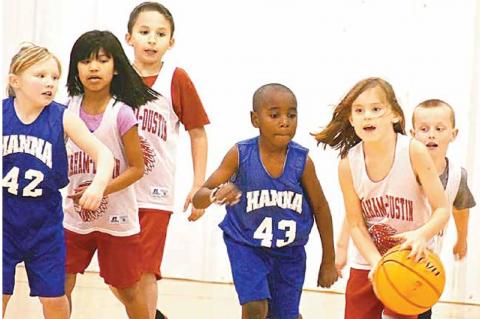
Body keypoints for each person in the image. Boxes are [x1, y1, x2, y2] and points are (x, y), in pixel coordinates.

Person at [192, 83, 338, 319]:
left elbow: (321, 209)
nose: (285, 121)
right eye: (274, 115)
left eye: (291, 115)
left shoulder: (302, 162)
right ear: (255, 119)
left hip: (289, 253)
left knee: (283, 315)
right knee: (255, 306)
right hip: (247, 246)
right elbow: (199, 197)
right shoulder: (240, 154)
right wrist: (214, 194)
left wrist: (328, 260)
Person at [314, 77, 449, 319]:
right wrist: (377, 262)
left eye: (376, 109)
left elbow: (442, 209)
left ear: (395, 115)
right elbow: (355, 223)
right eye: (359, 110)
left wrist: (421, 235)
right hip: (368, 262)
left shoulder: (413, 151)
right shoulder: (348, 164)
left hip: (411, 262)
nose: (367, 116)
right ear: (351, 119)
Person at [3, 44, 113, 319]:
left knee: (53, 298)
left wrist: (98, 186)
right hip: (5, 221)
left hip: (44, 226)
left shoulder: (62, 116)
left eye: (54, 77)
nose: (49, 82)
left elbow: (104, 154)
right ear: (15, 81)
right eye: (40, 75)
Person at [63, 30, 158, 319]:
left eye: (102, 61)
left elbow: (137, 169)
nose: (93, 67)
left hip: (117, 219)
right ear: (75, 68)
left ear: (115, 67)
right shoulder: (66, 110)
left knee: (128, 291)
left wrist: (100, 189)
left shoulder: (122, 113)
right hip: (73, 217)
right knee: (59, 285)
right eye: (85, 61)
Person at [125, 2, 210, 318]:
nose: (151, 40)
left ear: (171, 42)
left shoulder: (176, 78)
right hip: (116, 190)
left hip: (154, 194)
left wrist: (199, 183)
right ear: (129, 37)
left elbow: (197, 132)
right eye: (144, 32)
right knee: (117, 272)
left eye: (160, 34)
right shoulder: (115, 75)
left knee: (146, 270)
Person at [410, 99, 476, 319]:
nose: (431, 135)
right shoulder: (402, 166)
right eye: (424, 129)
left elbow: (461, 209)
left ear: (453, 134)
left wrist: (462, 240)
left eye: (439, 129)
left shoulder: (457, 176)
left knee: (421, 310)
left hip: (426, 263)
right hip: (391, 254)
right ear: (412, 133)